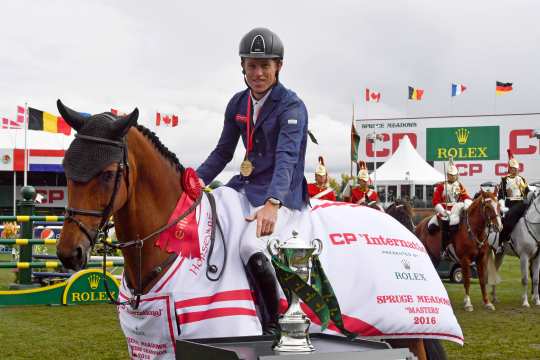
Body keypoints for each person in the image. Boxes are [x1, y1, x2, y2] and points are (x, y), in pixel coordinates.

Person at [196, 27, 309, 334]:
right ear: (243, 67)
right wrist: (191, 181)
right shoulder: (237, 103)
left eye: (265, 66)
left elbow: (287, 159)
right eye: (252, 66)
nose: (258, 73)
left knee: (249, 245)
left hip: (281, 194)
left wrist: (273, 204)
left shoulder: (292, 106)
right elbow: (222, 152)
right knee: (210, 218)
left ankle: (273, 322)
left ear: (279, 67)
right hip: (245, 186)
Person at [428, 156, 472, 249]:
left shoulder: (459, 185)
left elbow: (466, 197)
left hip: (457, 209)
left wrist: (467, 204)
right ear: (447, 175)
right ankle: (444, 248)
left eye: (454, 175)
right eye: (451, 175)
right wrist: (443, 211)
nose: (453, 177)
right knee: (445, 224)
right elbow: (435, 201)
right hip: (445, 210)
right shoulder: (441, 186)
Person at [497, 149, 529, 250]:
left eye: (516, 168)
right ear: (509, 169)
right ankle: (501, 242)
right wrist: (502, 205)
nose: (515, 170)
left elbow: (526, 192)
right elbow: (501, 195)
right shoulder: (504, 179)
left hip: (521, 202)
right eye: (512, 168)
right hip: (509, 203)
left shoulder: (522, 179)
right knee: (507, 222)